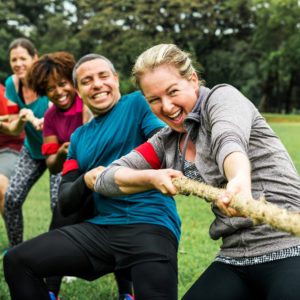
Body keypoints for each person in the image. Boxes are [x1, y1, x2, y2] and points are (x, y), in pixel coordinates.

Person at [90, 44, 300, 300]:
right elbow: (107, 178)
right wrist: (152, 177)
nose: (166, 106)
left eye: (173, 92)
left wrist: (239, 182)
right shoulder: (165, 142)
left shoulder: (222, 98)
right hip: (235, 257)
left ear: (192, 80)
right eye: (154, 100)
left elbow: (228, 141)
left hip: (290, 244)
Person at [3, 53, 181, 300]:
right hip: (102, 231)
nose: (97, 84)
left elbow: (165, 146)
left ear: (116, 79)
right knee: (17, 260)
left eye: (103, 76)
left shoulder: (138, 104)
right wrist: (86, 179)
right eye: (87, 81)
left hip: (149, 225)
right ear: (78, 90)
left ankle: (125, 292)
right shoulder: (78, 138)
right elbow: (65, 201)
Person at [3, 38, 61, 247]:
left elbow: (70, 110)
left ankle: (64, 256)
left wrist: (50, 121)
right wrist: (21, 118)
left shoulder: (48, 81)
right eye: (14, 60)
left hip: (58, 150)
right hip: (33, 149)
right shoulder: (12, 84)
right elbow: (13, 128)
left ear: (34, 58)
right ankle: (15, 249)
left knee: (59, 205)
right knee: (11, 198)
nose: (18, 64)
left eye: (23, 58)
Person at [0, 83, 24, 216]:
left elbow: (14, 119)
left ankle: (14, 236)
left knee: (1, 184)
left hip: (9, 147)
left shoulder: (3, 94)